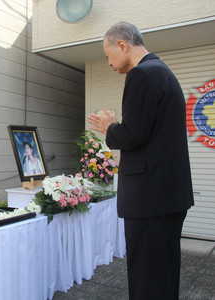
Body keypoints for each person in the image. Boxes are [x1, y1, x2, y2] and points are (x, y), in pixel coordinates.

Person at [87, 22, 194, 300]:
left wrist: (110, 127)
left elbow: (134, 136)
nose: (109, 62)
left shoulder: (141, 75)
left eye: (108, 54)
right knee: (164, 273)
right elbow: (150, 133)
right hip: (167, 196)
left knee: (147, 278)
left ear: (122, 46)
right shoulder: (162, 73)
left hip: (149, 199)